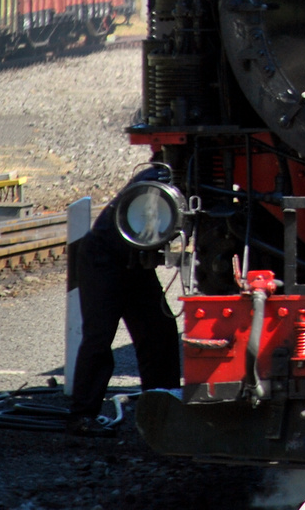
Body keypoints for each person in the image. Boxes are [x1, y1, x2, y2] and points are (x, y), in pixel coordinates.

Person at [66, 168, 182, 436]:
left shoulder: (159, 174)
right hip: (104, 258)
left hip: (134, 262)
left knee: (159, 332)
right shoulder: (160, 180)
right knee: (99, 336)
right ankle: (81, 416)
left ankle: (162, 410)